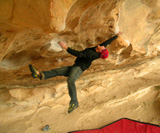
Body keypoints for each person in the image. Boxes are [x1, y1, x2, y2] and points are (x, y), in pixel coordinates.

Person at [29, 32, 121, 113]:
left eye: (103, 47)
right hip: (75, 66)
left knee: (71, 81)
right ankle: (39, 74)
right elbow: (106, 43)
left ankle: (74, 102)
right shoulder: (97, 49)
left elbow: (78, 54)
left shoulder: (92, 54)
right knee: (58, 71)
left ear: (100, 51)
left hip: (78, 68)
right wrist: (116, 36)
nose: (102, 45)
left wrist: (66, 47)